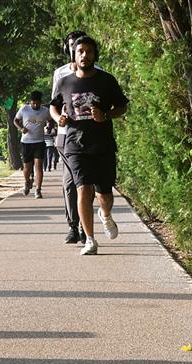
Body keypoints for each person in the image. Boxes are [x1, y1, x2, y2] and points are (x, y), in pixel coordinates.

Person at [50, 36, 129, 255]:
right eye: (80, 51)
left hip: (102, 144)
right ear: (74, 55)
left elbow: (122, 107)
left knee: (104, 194)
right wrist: (59, 119)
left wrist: (106, 114)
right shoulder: (65, 82)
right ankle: (90, 240)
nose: (84, 55)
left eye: (88, 51)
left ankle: (105, 214)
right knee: (83, 190)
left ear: (95, 55)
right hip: (75, 145)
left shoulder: (106, 80)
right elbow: (53, 107)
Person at [51, 30, 102, 245]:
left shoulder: (99, 73)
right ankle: (73, 225)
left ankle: (85, 225)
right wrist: (58, 119)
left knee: (87, 183)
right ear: (68, 50)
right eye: (73, 47)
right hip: (66, 135)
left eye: (82, 48)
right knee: (70, 182)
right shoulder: (60, 74)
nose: (78, 52)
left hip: (92, 136)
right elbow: (54, 103)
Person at [14, 91, 52, 199]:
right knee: (27, 167)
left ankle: (38, 190)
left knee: (38, 166)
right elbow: (15, 120)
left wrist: (48, 127)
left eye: (37, 103)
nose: (35, 105)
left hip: (39, 142)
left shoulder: (45, 111)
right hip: (26, 142)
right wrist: (21, 128)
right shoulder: (24, 109)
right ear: (30, 102)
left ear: (41, 102)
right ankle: (27, 182)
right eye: (33, 103)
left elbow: (50, 120)